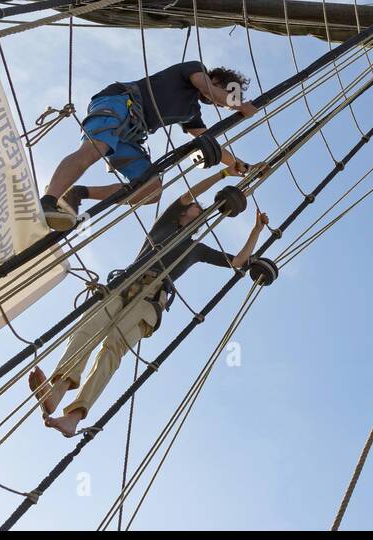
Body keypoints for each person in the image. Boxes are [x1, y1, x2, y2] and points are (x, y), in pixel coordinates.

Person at [29, 172, 271, 437]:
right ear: (182, 212)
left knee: (113, 347)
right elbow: (190, 193)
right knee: (87, 330)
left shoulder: (196, 249)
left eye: (200, 208)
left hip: (152, 296)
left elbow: (236, 262)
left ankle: (74, 417)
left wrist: (256, 230)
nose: (197, 207)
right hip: (124, 283)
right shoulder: (164, 224)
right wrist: (223, 173)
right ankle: (59, 389)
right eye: (195, 206)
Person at [39, 61, 259, 231]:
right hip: (122, 102)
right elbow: (206, 87)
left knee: (151, 191)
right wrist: (238, 105)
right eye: (226, 92)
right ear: (217, 78)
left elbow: (209, 141)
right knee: (95, 148)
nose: (219, 100)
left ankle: (78, 193)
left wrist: (237, 164)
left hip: (133, 133)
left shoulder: (192, 112)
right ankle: (48, 201)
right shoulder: (195, 69)